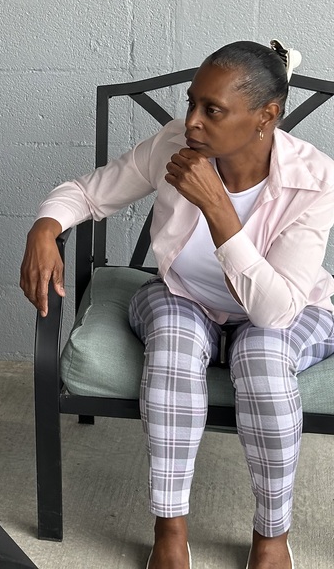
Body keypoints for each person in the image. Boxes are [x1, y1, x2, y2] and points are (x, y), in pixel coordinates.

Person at [20, 40, 334, 569]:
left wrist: (217, 207)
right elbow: (89, 192)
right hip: (185, 297)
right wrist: (45, 228)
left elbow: (276, 311)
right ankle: (170, 527)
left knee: (261, 356)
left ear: (267, 116)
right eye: (191, 103)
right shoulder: (174, 144)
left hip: (289, 307)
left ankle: (271, 533)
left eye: (212, 110)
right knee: (172, 342)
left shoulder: (314, 179)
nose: (191, 122)